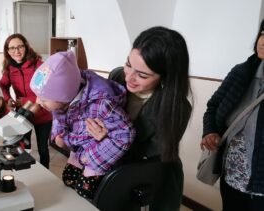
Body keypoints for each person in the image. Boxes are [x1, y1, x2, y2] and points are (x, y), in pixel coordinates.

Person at [87, 26, 192, 210]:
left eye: (142, 75)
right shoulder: (117, 76)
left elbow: (145, 155)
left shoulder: (177, 107)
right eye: (129, 64)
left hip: (145, 175)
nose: (129, 77)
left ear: (165, 77)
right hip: (107, 169)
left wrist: (106, 140)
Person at [30, 51, 135, 200]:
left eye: (44, 99)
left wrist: (89, 158)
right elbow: (59, 116)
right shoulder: (64, 99)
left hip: (98, 156)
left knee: (84, 193)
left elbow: (125, 134)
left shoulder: (101, 104)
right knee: (68, 179)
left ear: (64, 95)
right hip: (79, 148)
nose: (38, 102)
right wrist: (57, 135)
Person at [201, 19, 264, 211]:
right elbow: (213, 106)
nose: (263, 41)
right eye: (263, 33)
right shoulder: (241, 72)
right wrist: (209, 131)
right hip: (231, 175)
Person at [0, 33, 53, 168]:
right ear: (7, 51)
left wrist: (23, 100)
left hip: (43, 114)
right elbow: (3, 86)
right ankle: (27, 172)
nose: (16, 51)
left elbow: (47, 90)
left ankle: (45, 174)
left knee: (43, 149)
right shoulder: (9, 68)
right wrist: (8, 99)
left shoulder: (39, 65)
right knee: (25, 147)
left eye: (20, 47)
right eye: (12, 48)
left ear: (26, 47)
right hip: (23, 115)